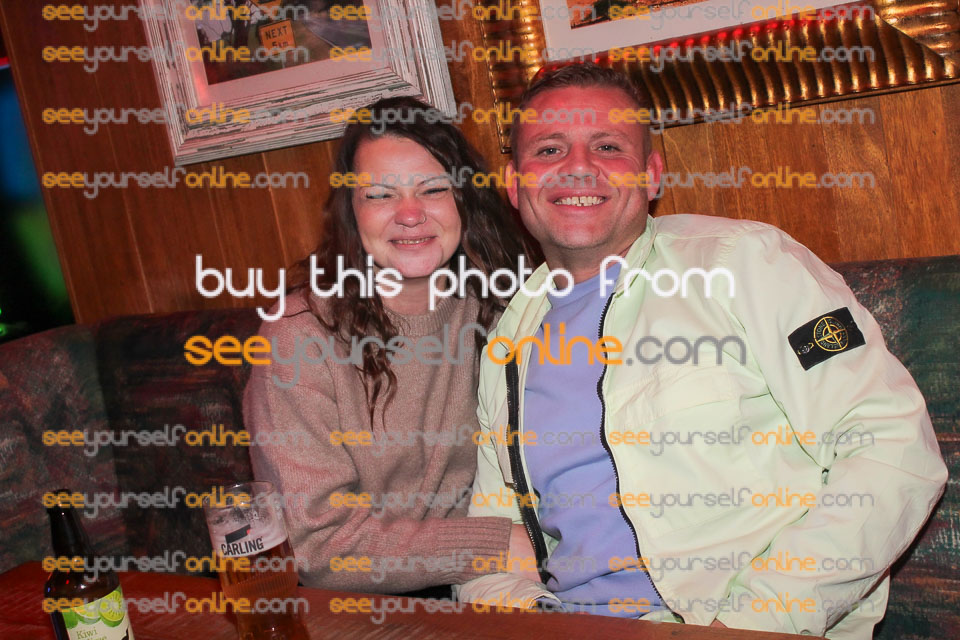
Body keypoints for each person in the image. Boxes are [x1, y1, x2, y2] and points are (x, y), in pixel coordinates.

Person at [456, 63, 948, 639]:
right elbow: (493, 536)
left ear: (651, 175)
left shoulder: (744, 264)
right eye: (549, 149)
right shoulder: (507, 343)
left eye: (608, 146)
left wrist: (749, 624)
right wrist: (535, 621)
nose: (579, 166)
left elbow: (891, 444)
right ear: (515, 185)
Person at [243, 96, 536, 595]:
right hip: (357, 608)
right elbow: (317, 548)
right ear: (351, 212)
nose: (410, 214)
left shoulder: (504, 307)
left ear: (463, 200)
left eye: (433, 189)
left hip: (493, 588)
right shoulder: (298, 337)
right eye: (380, 195)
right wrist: (494, 545)